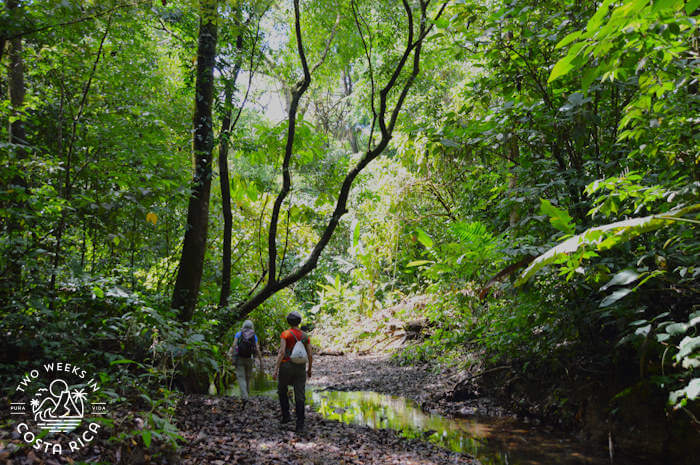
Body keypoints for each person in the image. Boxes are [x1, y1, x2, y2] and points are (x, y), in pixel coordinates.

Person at [273, 311, 312, 433]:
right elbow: (310, 354)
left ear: (288, 322)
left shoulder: (285, 334)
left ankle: (286, 416)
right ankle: (300, 424)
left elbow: (282, 352)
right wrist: (309, 369)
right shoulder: (305, 336)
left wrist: (276, 369)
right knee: (300, 394)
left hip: (286, 366)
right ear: (299, 322)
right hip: (300, 367)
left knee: (282, 389)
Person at [228, 320, 263, 401]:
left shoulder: (239, 334)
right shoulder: (254, 336)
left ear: (243, 326)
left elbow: (234, 345)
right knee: (248, 378)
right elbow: (257, 349)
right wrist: (261, 361)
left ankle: (244, 396)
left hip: (239, 358)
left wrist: (229, 355)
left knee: (241, 377)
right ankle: (246, 395)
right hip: (250, 359)